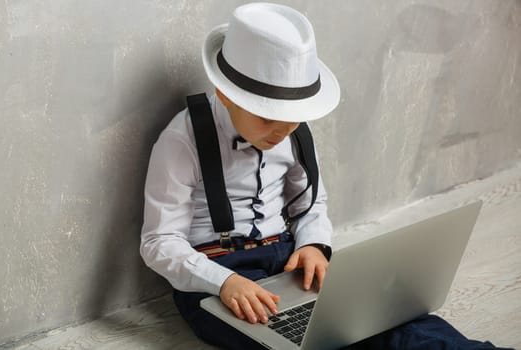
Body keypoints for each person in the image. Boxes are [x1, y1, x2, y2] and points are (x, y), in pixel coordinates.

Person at [141, 3, 509, 349]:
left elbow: (310, 204)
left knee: (378, 315)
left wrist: (311, 246)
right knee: (312, 339)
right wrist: (223, 283)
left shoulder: (292, 132)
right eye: (268, 115)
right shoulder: (182, 140)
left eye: (294, 114)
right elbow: (159, 242)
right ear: (226, 93)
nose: (283, 129)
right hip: (216, 272)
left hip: (285, 257)